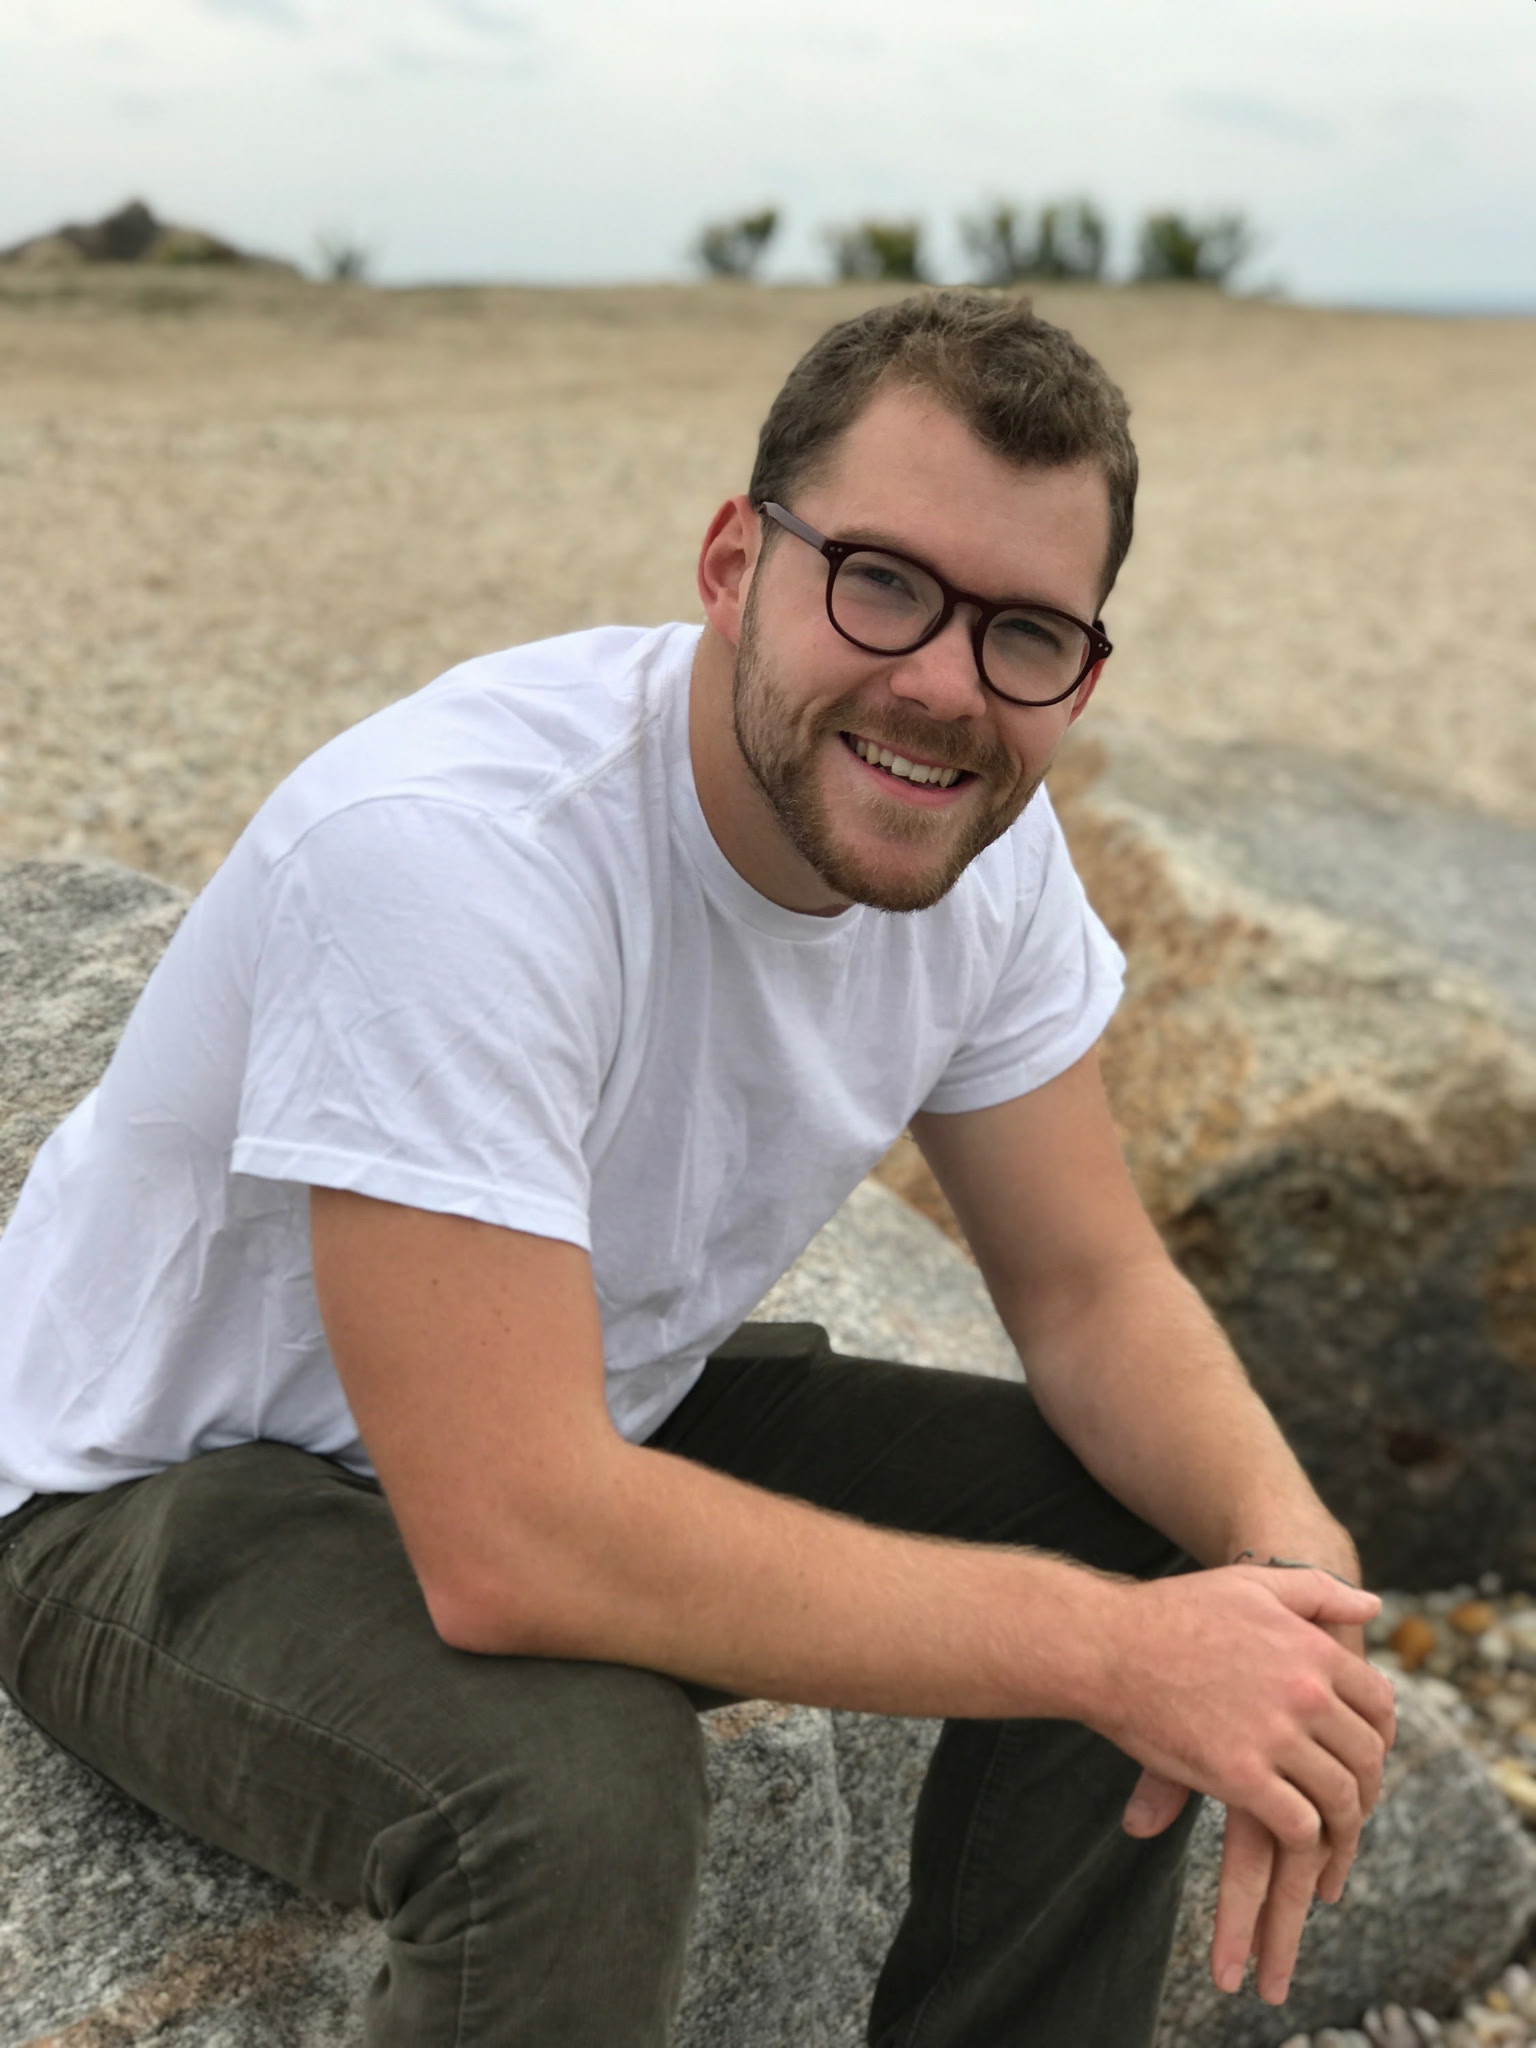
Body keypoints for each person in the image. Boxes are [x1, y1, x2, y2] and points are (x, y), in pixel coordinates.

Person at [0, 290, 1392, 2048]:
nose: (944, 685)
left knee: (1164, 1542)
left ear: (1084, 672)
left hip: (579, 1407)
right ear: (737, 562)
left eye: (1025, 632)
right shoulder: (457, 854)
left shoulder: (986, 849)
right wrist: (1114, 1656)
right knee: (572, 1788)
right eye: (882, 582)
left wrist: (1289, 1582)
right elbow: (509, 1545)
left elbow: (1091, 1290)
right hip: (152, 1484)